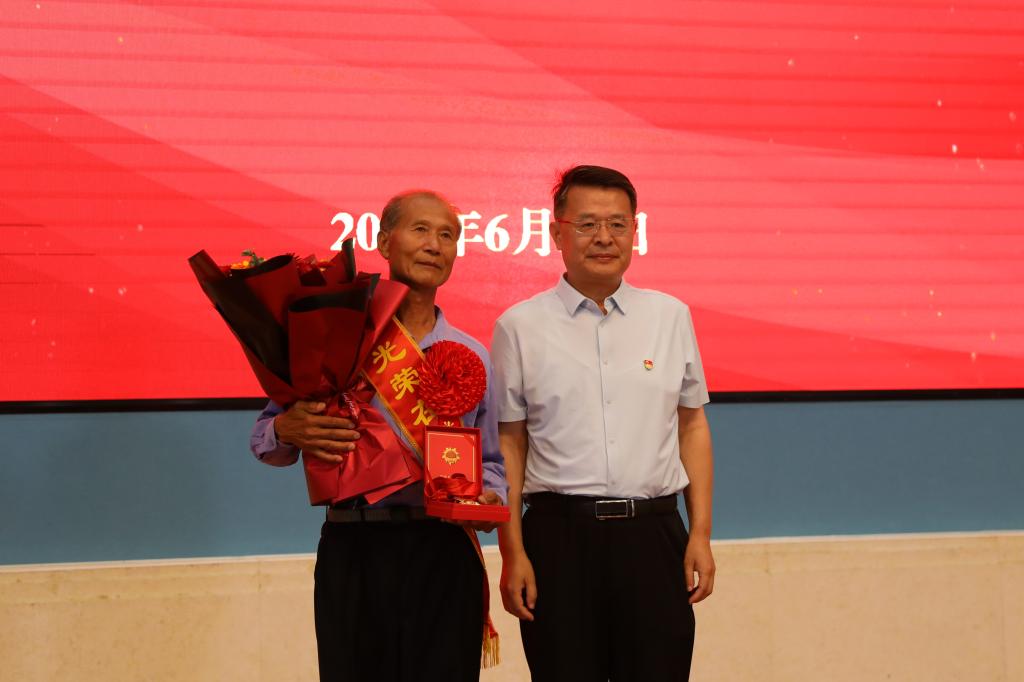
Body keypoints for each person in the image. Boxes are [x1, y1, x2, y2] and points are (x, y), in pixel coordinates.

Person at [249, 190, 507, 682]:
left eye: (447, 235)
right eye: (420, 229)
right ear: (385, 242)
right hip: (355, 547)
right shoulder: (336, 339)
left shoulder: (472, 354)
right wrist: (287, 428)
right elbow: (266, 439)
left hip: (445, 550)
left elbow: (492, 462)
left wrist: (490, 497)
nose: (434, 244)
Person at [492, 165, 715, 681]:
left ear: (635, 231)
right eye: (587, 224)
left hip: (654, 536)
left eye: (618, 224)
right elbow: (510, 443)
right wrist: (513, 552)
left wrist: (700, 534)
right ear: (557, 233)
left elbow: (692, 428)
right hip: (559, 540)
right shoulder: (519, 326)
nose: (604, 238)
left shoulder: (670, 317)